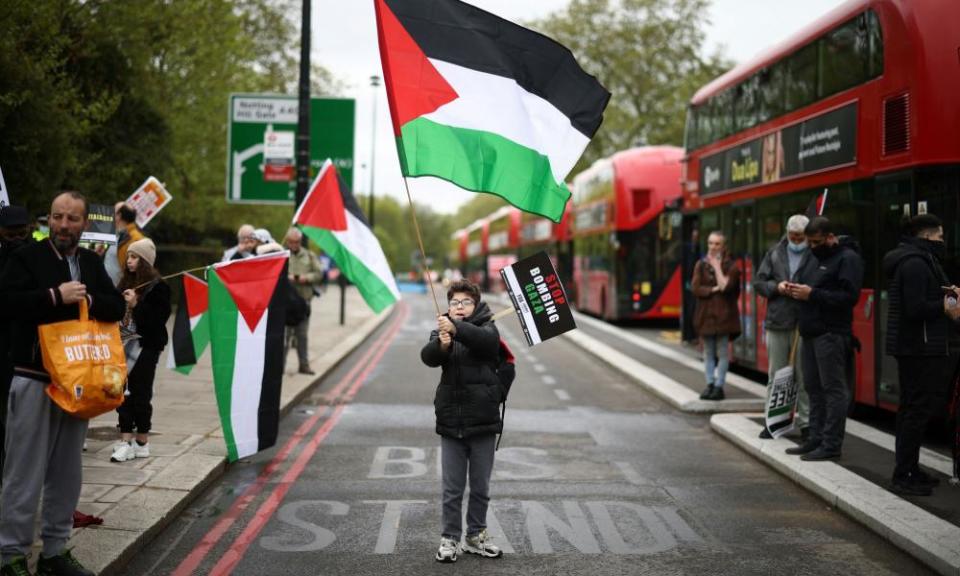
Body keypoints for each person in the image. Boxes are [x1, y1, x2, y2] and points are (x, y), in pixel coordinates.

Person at [0, 191, 124, 576]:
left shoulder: (90, 261)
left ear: (85, 224)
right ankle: (11, 557)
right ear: (47, 220)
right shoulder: (26, 257)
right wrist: (56, 295)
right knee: (23, 472)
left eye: (72, 219)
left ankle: (55, 552)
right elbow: (7, 303)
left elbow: (115, 306)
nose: (63, 226)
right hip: (34, 377)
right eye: (57, 217)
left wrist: (87, 298)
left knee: (67, 471)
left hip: (78, 383)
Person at [421, 280, 505, 563]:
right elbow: (428, 358)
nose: (459, 307)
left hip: (483, 421)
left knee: (480, 486)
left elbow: (486, 344)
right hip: (451, 422)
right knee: (452, 488)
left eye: (466, 302)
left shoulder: (488, 327)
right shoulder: (444, 330)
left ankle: (475, 535)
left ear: (476, 305)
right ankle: (449, 538)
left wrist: (457, 329)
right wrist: (441, 346)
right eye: (455, 303)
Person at [883, 214, 960, 495]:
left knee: (912, 409)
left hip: (916, 346)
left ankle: (910, 468)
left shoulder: (920, 259)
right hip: (918, 347)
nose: (942, 241)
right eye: (939, 236)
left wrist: (949, 295)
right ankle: (903, 474)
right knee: (915, 411)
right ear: (927, 237)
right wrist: (945, 304)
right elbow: (915, 308)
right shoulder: (915, 263)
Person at [784, 216, 863, 461]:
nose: (812, 246)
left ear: (830, 237)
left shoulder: (848, 259)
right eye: (810, 242)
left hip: (831, 333)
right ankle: (815, 438)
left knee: (834, 390)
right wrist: (794, 289)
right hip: (810, 332)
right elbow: (806, 284)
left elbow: (849, 298)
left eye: (817, 242)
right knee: (813, 388)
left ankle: (831, 444)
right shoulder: (813, 255)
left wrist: (813, 294)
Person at [110, 239, 171, 463]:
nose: (129, 261)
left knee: (141, 393)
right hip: (121, 346)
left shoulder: (159, 287)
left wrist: (137, 304)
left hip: (146, 347)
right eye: (129, 256)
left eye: (134, 257)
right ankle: (125, 440)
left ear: (145, 261)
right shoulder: (124, 282)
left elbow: (156, 322)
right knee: (121, 393)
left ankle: (142, 440)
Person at [754, 214, 812, 438]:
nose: (796, 241)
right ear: (787, 233)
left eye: (800, 237)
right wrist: (776, 287)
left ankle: (806, 423)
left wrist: (806, 290)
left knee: (804, 376)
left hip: (802, 322)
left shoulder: (813, 254)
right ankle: (773, 420)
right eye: (793, 236)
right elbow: (759, 282)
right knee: (776, 375)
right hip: (777, 321)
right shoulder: (775, 252)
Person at [0, 206, 31, 480]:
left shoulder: (36, 257)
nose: (16, 240)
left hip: (27, 352)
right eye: (10, 236)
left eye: (22, 234)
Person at [691, 231, 741, 401]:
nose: (713, 247)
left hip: (725, 316)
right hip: (706, 316)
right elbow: (696, 288)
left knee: (722, 352)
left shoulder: (731, 266)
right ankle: (710, 384)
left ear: (723, 246)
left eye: (717, 244)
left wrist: (717, 267)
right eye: (710, 243)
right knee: (708, 352)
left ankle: (719, 386)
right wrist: (712, 290)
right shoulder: (700, 265)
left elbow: (726, 287)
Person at [283, 228, 322, 375]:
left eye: (297, 242)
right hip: (287, 304)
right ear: (287, 241)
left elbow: (319, 273)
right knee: (284, 338)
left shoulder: (309, 256)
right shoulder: (282, 255)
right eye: (291, 241)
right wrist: (288, 277)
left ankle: (304, 365)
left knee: (302, 336)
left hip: (303, 303)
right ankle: (280, 366)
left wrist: (305, 278)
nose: (294, 244)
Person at [104, 202, 145, 286]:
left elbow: (139, 273)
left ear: (118, 216)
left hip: (121, 294)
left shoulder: (136, 239)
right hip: (108, 292)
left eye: (113, 212)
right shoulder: (116, 234)